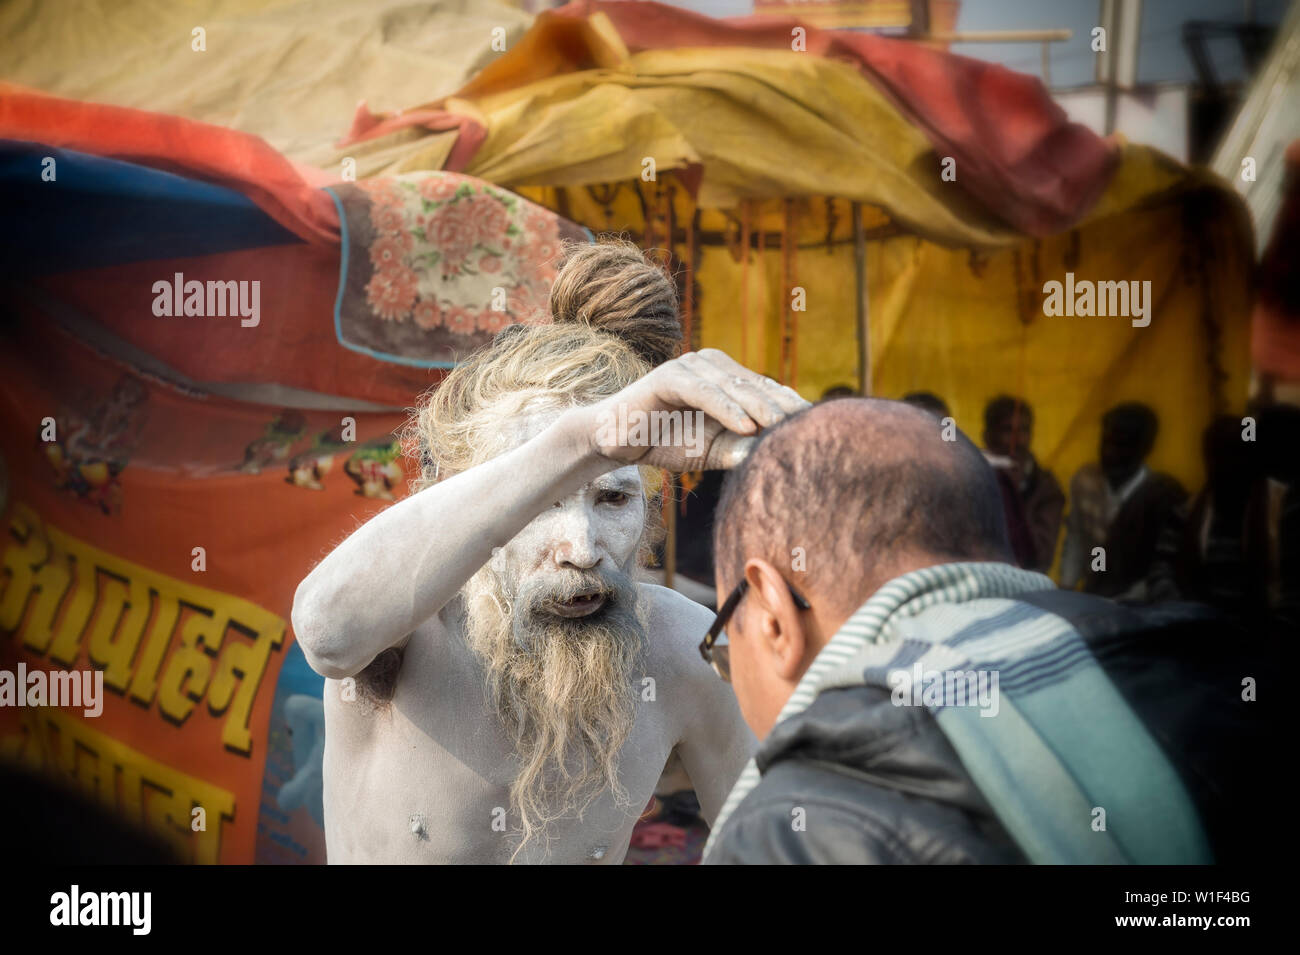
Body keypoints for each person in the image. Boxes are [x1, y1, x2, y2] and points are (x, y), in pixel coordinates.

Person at [291, 240, 807, 863]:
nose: (585, 549)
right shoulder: (404, 625)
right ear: (472, 499)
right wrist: (590, 437)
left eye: (613, 499)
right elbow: (325, 632)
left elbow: (781, 849)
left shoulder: (682, 653)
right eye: (541, 503)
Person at [700, 398, 1268, 864]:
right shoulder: (1219, 663)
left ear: (773, 616)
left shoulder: (790, 829)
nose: (727, 663)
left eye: (725, 639)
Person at [1060, 402, 1186, 600]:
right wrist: (1066, 588)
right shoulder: (1084, 480)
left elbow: (1162, 564)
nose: (1109, 452)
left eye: (1121, 445)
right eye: (1105, 442)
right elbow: (1076, 535)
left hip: (1138, 604)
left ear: (1146, 448)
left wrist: (1124, 601)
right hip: (1091, 595)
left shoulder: (1161, 496)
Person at [981, 395, 1064, 573]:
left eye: (1024, 431)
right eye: (1007, 430)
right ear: (988, 435)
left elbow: (1041, 555)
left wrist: (1011, 493)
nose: (1016, 441)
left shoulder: (1045, 487)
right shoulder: (968, 476)